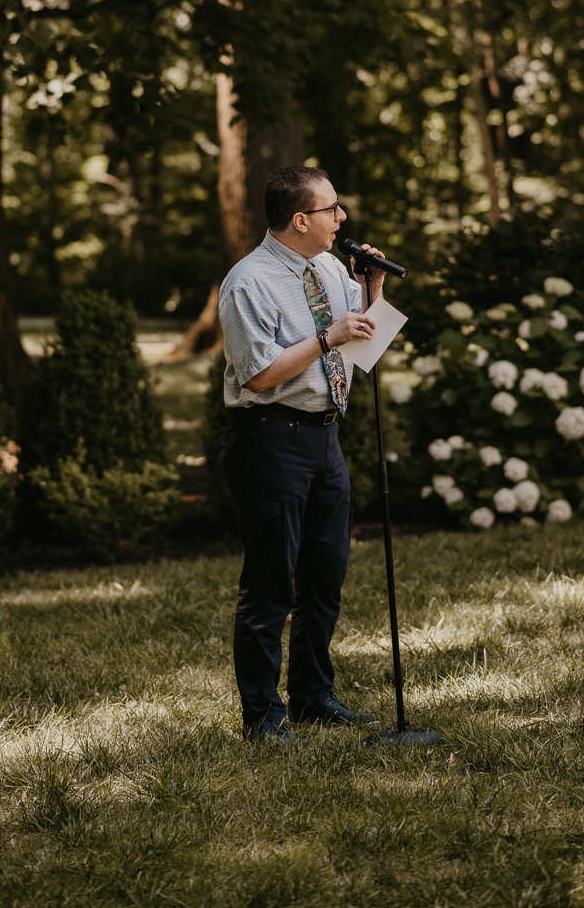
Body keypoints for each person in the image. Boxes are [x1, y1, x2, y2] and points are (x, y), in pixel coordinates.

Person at [218, 165, 385, 742]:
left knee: (323, 579)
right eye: (332, 209)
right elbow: (259, 376)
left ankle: (314, 696)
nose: (342, 218)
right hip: (269, 439)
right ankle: (263, 716)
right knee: (269, 584)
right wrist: (326, 338)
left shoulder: (333, 268)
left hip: (324, 437)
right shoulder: (250, 281)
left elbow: (365, 350)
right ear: (300, 219)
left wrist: (375, 288)